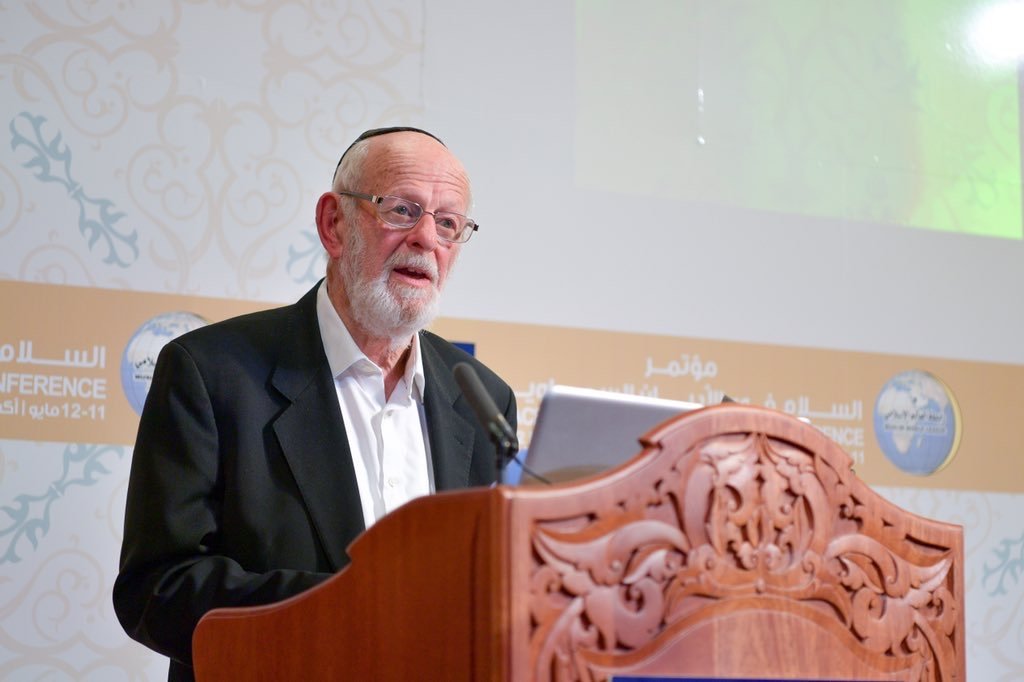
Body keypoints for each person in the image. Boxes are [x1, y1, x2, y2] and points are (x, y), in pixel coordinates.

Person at [113, 127, 516, 681]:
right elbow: (156, 589)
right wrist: (359, 605)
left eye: (448, 223)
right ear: (334, 223)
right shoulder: (211, 374)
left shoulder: (483, 400)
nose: (426, 238)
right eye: (402, 210)